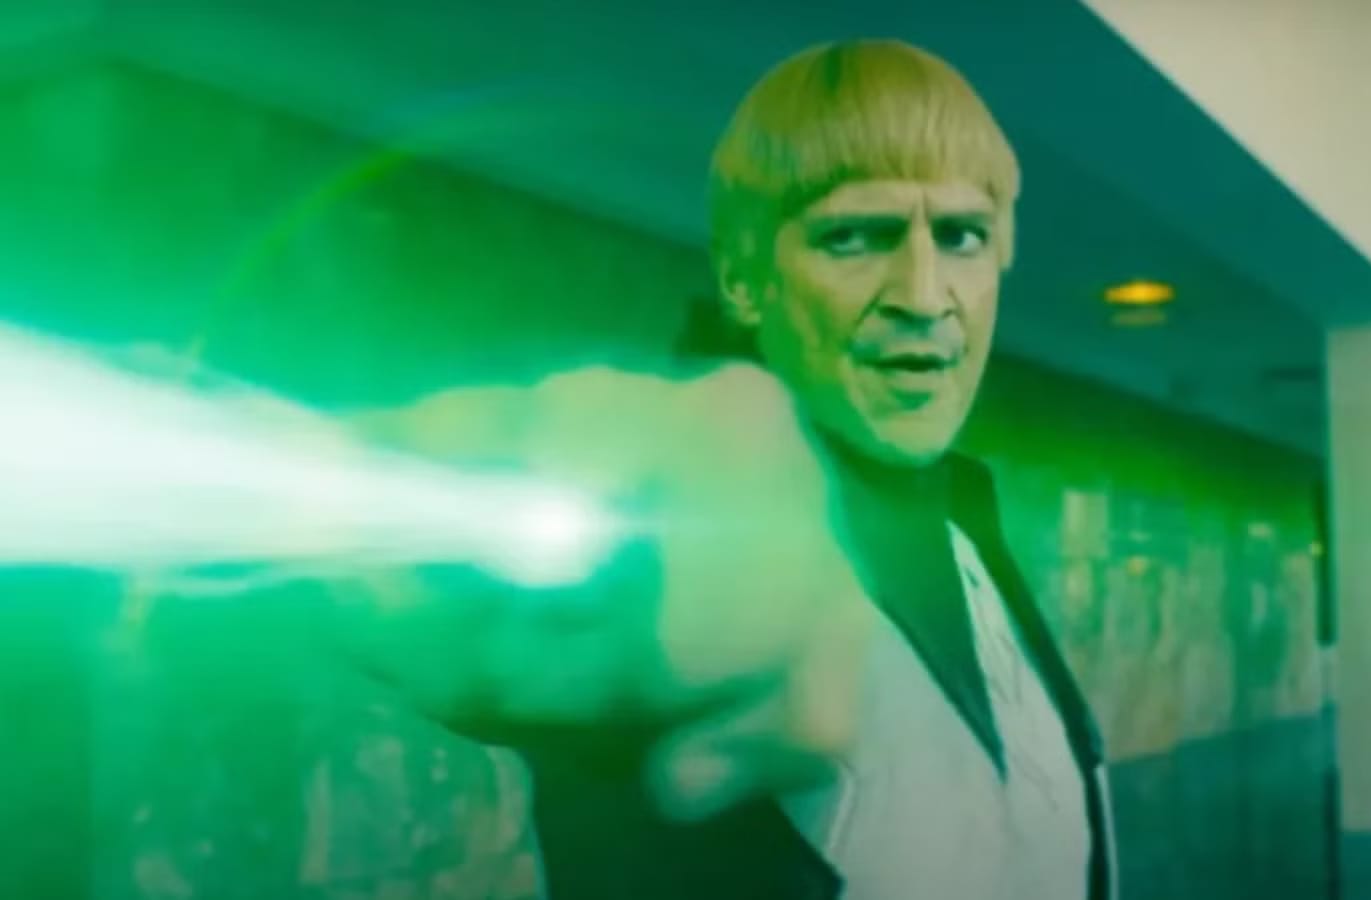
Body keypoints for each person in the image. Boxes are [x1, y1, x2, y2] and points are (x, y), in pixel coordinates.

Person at [345, 38, 1115, 900]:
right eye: (854, 237)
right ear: (745, 281)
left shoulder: (971, 527)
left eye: (962, 236)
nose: (924, 294)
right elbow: (373, 566)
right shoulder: (689, 526)